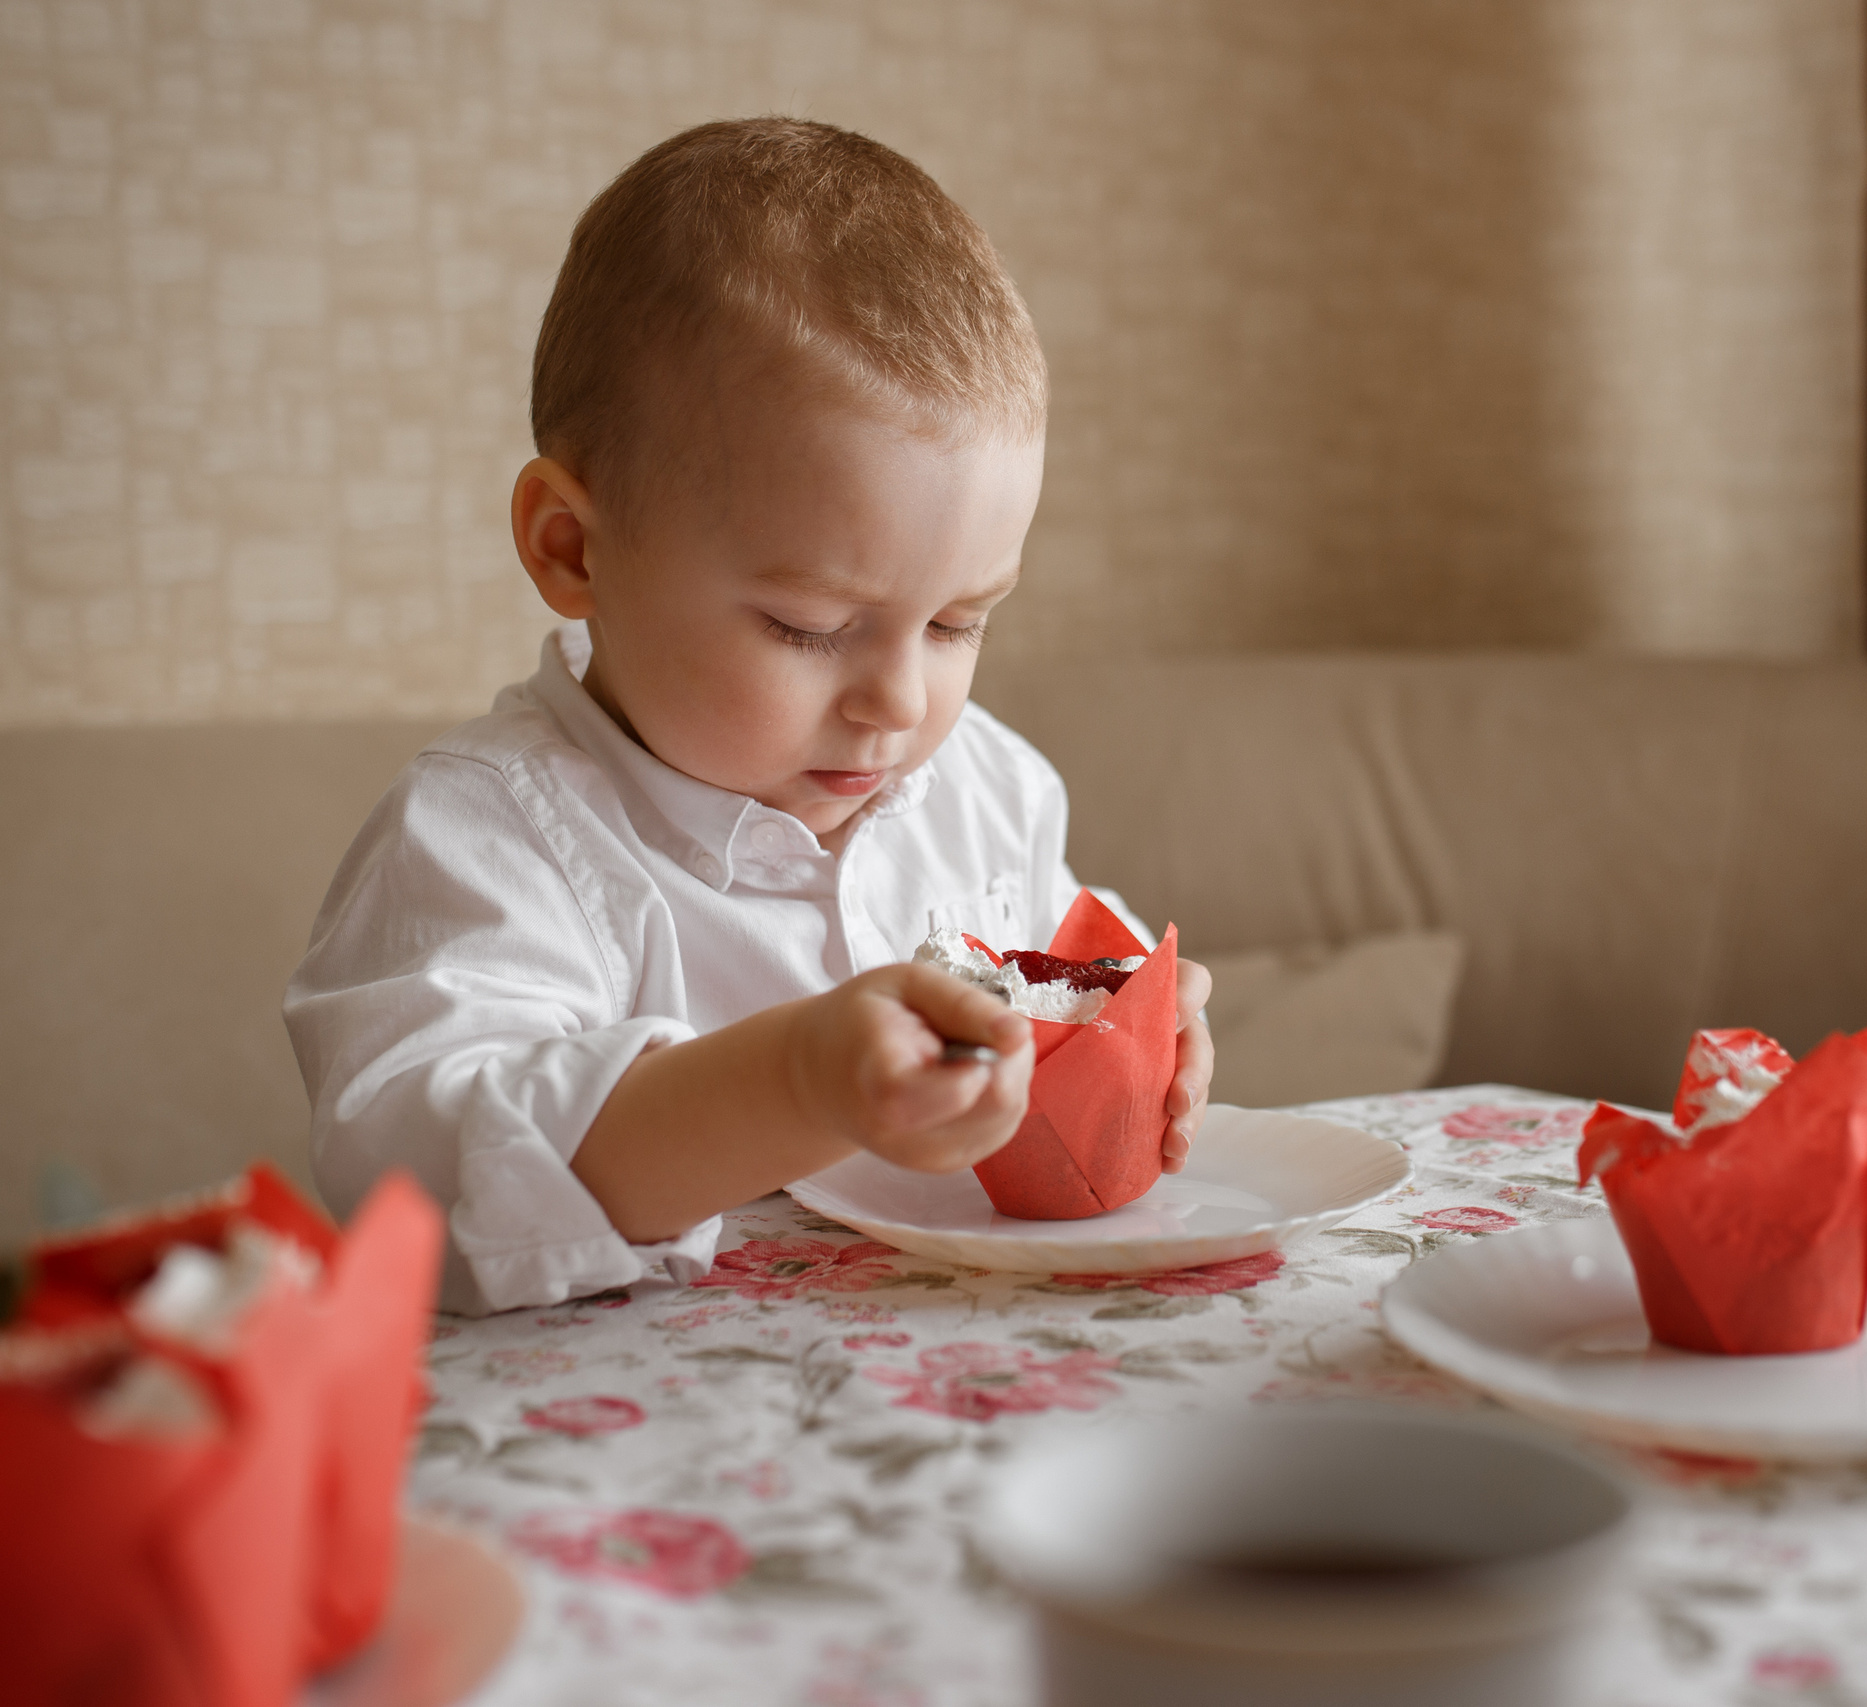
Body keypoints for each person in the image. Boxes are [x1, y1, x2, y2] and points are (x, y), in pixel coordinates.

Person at [285, 118, 1213, 1315]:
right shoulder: (484, 841)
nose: (899, 702)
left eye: (957, 623)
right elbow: (429, 1190)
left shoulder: (987, 792)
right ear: (573, 549)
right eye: (809, 627)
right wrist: (797, 1084)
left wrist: (1138, 1037)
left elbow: (1069, 995)